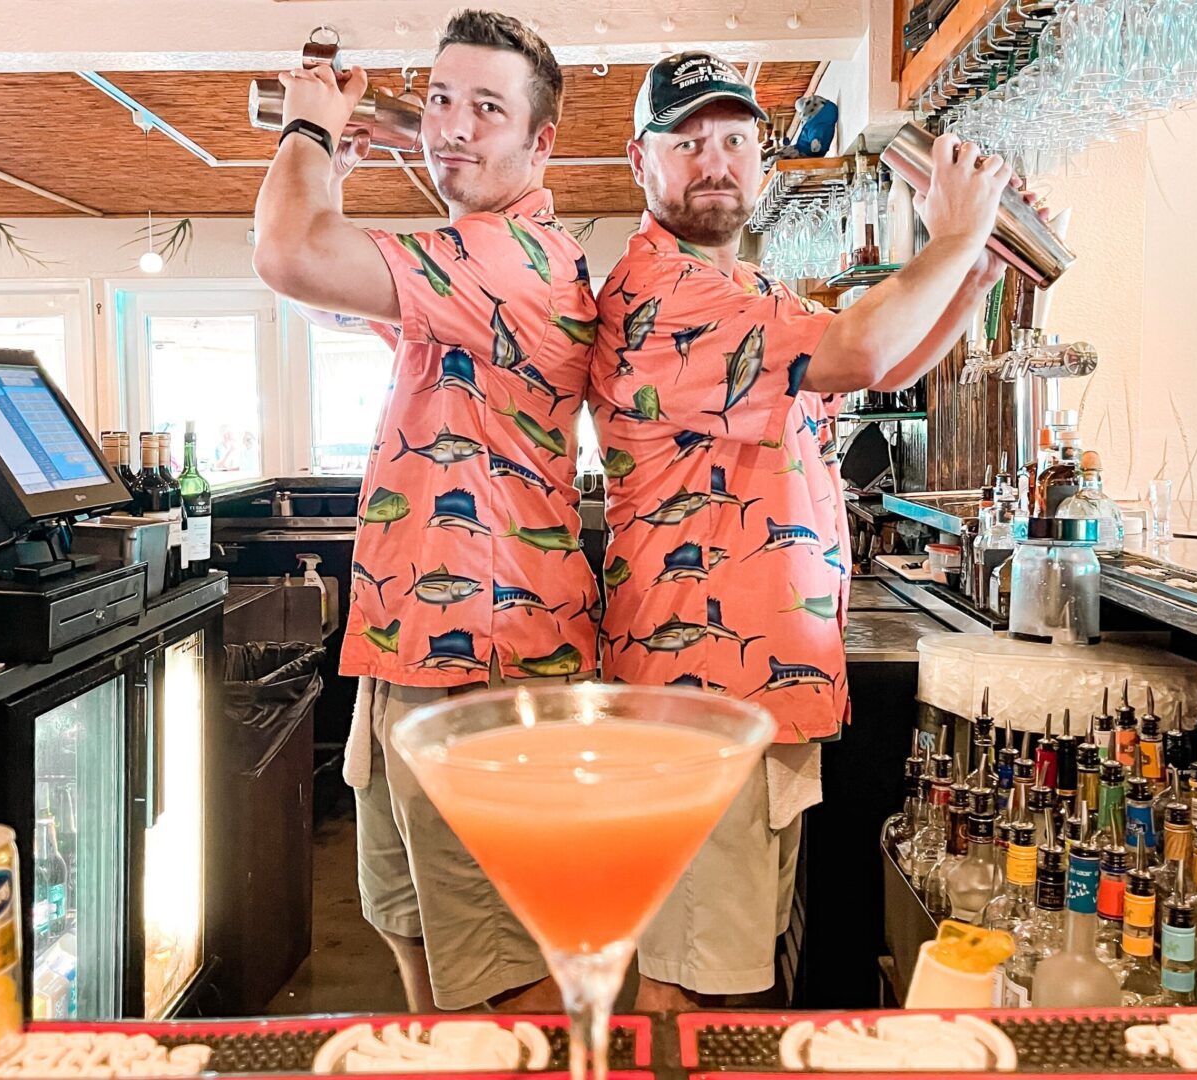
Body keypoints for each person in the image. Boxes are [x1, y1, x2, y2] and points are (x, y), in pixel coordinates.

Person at [591, 52, 1030, 1009]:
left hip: (761, 685)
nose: (715, 160)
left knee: (726, 969)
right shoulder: (663, 295)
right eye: (688, 140)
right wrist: (951, 237)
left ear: (763, 160)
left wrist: (978, 261)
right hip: (698, 700)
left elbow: (886, 357)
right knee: (701, 989)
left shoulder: (753, 294)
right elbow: (865, 344)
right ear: (640, 160)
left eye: (736, 139)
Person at [253, 10, 598, 1013]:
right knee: (414, 937)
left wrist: (310, 128)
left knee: (501, 979)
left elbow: (288, 255)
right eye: (441, 99)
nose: (451, 126)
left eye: (486, 108)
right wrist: (338, 166)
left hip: (481, 670)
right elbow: (320, 288)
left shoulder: (509, 258)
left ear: (540, 144)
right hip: (410, 649)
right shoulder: (457, 271)